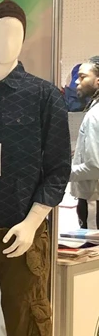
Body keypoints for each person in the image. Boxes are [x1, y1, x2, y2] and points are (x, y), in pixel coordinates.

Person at [70, 56, 99, 229]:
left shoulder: (95, 115)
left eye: (82, 77)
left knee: (93, 245)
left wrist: (60, 173)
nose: (76, 81)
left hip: (93, 198)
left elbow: (94, 167)